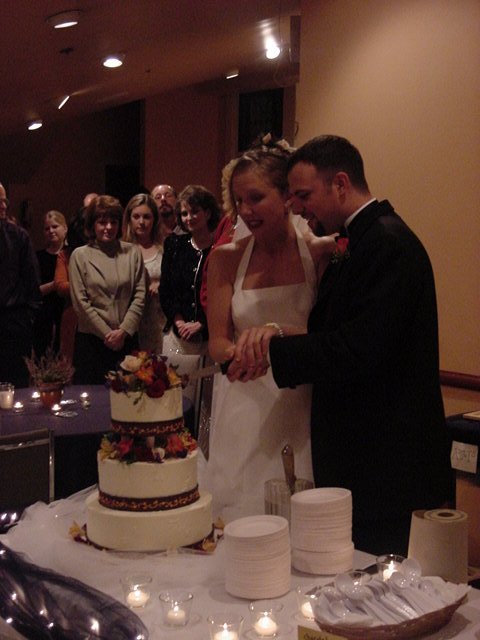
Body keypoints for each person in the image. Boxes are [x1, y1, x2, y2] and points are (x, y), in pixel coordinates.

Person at [230, 135, 454, 554]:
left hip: (389, 462)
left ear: (340, 184)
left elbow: (358, 350)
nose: (297, 207)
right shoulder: (358, 240)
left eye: (303, 195)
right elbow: (336, 330)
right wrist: (281, 334)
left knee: (385, 578)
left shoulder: (388, 245)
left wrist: (273, 352)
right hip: (363, 457)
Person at [203, 141, 335, 522]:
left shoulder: (319, 253)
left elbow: (327, 335)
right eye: (238, 201)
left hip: (301, 400)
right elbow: (217, 341)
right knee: (239, 514)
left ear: (287, 196)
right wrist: (240, 354)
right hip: (245, 400)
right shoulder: (226, 258)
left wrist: (280, 337)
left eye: (256, 198)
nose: (245, 210)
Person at [69, 195, 146, 384]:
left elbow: (140, 295)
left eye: (113, 222)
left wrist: (124, 331)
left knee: (130, 397)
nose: (109, 227)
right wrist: (107, 334)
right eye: (102, 222)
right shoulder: (79, 255)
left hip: (126, 340)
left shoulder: (133, 252)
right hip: (92, 342)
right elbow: (80, 303)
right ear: (92, 225)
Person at [160, 184, 220, 356]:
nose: (188, 218)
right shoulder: (174, 245)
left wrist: (201, 323)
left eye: (194, 212)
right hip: (177, 336)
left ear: (207, 213)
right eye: (184, 213)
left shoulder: (220, 248)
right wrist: (179, 321)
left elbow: (222, 294)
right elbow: (166, 289)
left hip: (211, 337)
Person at [0, 182, 41, 387]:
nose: (4, 206)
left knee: (16, 388)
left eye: (4, 200)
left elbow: (32, 281)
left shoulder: (18, 236)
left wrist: (27, 318)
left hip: (13, 325)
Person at [123, 193, 166, 352]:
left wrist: (162, 284)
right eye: (136, 217)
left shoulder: (164, 248)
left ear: (154, 220)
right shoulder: (121, 250)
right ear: (129, 219)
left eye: (147, 217)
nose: (141, 222)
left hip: (159, 319)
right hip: (131, 321)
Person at [32, 210, 68, 356]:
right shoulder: (37, 257)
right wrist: (56, 284)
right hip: (44, 314)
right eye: (47, 228)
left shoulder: (73, 254)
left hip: (65, 310)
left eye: (55, 226)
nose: (51, 231)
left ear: (65, 228)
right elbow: (34, 290)